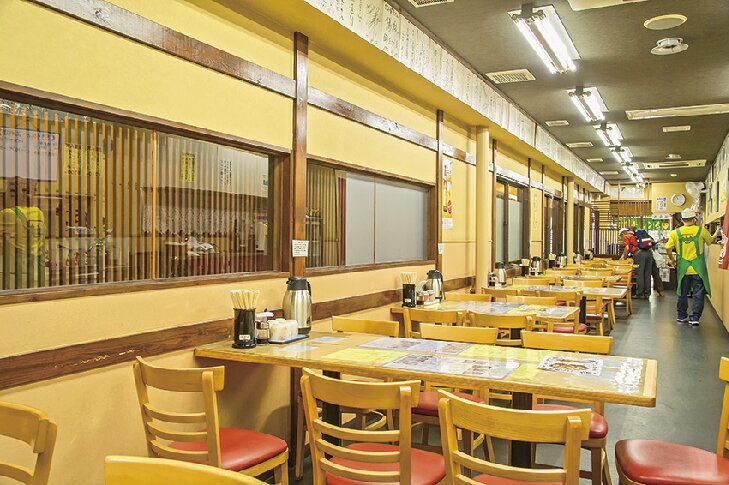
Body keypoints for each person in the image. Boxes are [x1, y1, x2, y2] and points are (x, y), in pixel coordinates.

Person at [665, 209, 721, 326]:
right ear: (694, 219)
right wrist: (717, 232)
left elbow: (668, 248)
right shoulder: (701, 230)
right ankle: (695, 317)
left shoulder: (675, 233)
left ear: (682, 220)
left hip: (683, 268)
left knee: (682, 292)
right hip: (698, 268)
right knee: (698, 293)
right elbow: (710, 241)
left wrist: (671, 259)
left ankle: (681, 315)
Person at [632, 227, 655, 298]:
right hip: (649, 253)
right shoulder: (645, 234)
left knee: (640, 274)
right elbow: (653, 242)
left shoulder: (633, 235)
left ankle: (640, 293)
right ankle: (647, 293)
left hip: (640, 254)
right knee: (648, 274)